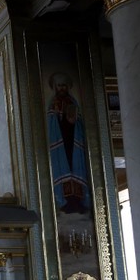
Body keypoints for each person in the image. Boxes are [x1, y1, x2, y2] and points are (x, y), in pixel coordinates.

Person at [46, 71, 90, 214]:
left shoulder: (72, 102)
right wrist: (59, 117)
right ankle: (65, 202)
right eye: (59, 86)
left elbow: (79, 122)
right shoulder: (54, 103)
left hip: (73, 141)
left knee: (75, 168)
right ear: (56, 87)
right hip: (60, 142)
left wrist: (73, 119)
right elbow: (51, 122)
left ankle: (78, 201)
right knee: (63, 168)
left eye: (64, 85)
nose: (62, 88)